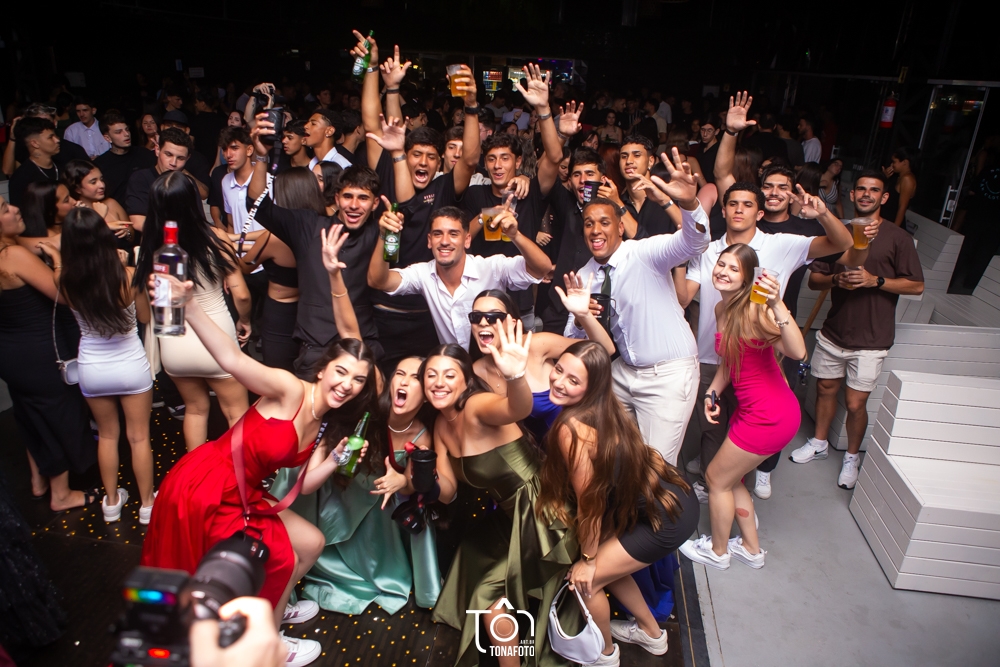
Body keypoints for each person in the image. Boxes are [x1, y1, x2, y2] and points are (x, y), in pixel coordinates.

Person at [140, 228, 377, 667]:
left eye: (358, 380)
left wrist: (338, 459)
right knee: (281, 555)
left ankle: (272, 608)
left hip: (246, 492)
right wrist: (190, 306)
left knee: (311, 541)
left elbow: (305, 486)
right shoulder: (289, 389)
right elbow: (232, 360)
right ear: (323, 369)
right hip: (208, 487)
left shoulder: (324, 423)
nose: (348, 384)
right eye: (341, 373)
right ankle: (270, 642)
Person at [274, 235, 457, 616]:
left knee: (400, 505)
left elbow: (439, 490)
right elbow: (350, 333)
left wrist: (404, 481)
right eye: (400, 373)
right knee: (294, 474)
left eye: (416, 378)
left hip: (377, 511)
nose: (404, 381)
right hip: (336, 491)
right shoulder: (376, 398)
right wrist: (334, 276)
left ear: (427, 393)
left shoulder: (426, 433)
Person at [679, 179, 852, 497]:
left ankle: (754, 472)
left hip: (758, 358)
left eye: (747, 205)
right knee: (712, 427)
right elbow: (685, 297)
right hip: (712, 354)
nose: (739, 210)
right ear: (723, 210)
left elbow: (842, 243)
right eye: (733, 204)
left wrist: (824, 214)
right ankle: (712, 477)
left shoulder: (781, 244)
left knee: (753, 420)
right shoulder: (707, 250)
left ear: (759, 213)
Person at [537, 340, 700, 666]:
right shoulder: (606, 407)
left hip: (664, 519)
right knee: (607, 568)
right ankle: (652, 634)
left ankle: (605, 654)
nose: (559, 382)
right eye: (559, 370)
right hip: (678, 501)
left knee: (585, 582)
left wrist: (587, 560)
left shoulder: (571, 429)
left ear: (590, 387)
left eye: (573, 380)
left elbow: (591, 503)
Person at [424, 331, 573, 667]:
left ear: (465, 381)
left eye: (449, 375)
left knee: (488, 597)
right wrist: (420, 479)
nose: (439, 383)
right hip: (510, 516)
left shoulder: (476, 406)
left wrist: (515, 375)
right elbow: (447, 492)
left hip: (545, 513)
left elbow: (517, 407)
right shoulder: (441, 425)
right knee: (470, 550)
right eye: (431, 375)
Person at [564, 149, 710, 465]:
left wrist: (688, 204)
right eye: (589, 224)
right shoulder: (585, 274)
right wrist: (580, 317)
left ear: (620, 227)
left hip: (667, 374)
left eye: (604, 222)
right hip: (622, 372)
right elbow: (573, 339)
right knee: (613, 456)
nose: (595, 230)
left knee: (656, 468)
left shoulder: (645, 253)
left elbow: (695, 243)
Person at [790, 171, 924, 489]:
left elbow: (916, 285)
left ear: (884, 197)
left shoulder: (898, 238)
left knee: (854, 403)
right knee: (825, 389)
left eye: (874, 190)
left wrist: (876, 281)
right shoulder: (837, 233)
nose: (866, 194)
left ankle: (852, 457)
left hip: (872, 337)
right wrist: (837, 279)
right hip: (835, 331)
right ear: (851, 195)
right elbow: (815, 280)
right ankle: (819, 443)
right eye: (861, 189)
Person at [679, 243, 806, 570]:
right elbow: (730, 362)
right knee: (731, 479)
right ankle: (751, 549)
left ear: (748, 277)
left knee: (715, 478)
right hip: (753, 411)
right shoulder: (722, 309)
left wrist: (777, 304)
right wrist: (712, 393)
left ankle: (718, 552)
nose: (723, 272)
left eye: (734, 268)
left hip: (769, 415)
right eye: (721, 264)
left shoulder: (757, 310)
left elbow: (797, 352)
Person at [249, 110, 383, 374]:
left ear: (375, 203)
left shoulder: (379, 232)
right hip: (315, 349)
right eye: (348, 197)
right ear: (337, 198)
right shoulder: (308, 225)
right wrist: (262, 156)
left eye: (363, 198)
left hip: (361, 344)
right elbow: (258, 206)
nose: (354, 205)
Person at [133, 171, 251, 451]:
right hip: (217, 339)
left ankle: (194, 474)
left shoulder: (150, 247)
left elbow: (148, 309)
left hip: (174, 342)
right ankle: (241, 474)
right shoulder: (215, 238)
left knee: (195, 411)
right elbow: (242, 294)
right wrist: (245, 320)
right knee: (236, 413)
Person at [56, 208, 155, 523]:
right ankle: (147, 505)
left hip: (93, 368)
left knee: (108, 436)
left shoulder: (65, 280)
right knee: (138, 437)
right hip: (130, 365)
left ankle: (111, 503)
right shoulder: (127, 275)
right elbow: (145, 317)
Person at [0, 196, 97, 513]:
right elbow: (64, 296)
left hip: (11, 353)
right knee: (60, 415)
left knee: (31, 415)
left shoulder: (12, 249)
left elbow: (47, 241)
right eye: (4, 209)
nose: (15, 208)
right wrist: (57, 261)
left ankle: (38, 481)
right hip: (39, 351)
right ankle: (61, 494)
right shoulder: (13, 255)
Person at [368, 205, 552, 349]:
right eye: (438, 234)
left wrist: (515, 235)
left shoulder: (491, 267)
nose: (444, 241)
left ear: (467, 240)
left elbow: (542, 268)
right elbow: (378, 281)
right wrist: (384, 235)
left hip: (498, 365)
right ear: (429, 241)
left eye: (453, 234)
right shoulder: (423, 274)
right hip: (457, 370)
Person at [469, 274, 614, 442]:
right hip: (527, 455)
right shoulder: (476, 371)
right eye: (476, 317)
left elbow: (604, 349)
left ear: (513, 323)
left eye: (494, 317)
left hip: (571, 444)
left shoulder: (536, 344)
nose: (483, 323)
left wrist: (584, 315)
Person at [238, 168, 310, 373]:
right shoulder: (319, 227)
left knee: (278, 375)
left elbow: (245, 266)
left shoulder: (274, 239)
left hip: (280, 316)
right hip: (309, 312)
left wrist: (227, 247)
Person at [126, 127, 199, 230]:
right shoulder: (141, 178)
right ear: (157, 150)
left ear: (188, 158)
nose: (173, 163)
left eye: (180, 158)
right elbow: (139, 222)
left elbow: (199, 222)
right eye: (168, 154)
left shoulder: (188, 183)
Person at [617, 134, 683, 239]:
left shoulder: (667, 196)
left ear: (651, 161)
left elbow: (694, 234)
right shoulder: (618, 202)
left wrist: (664, 200)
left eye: (637, 155)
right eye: (624, 156)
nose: (629, 161)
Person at [60, 159, 133, 244]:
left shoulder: (111, 203)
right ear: (78, 189)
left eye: (101, 179)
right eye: (93, 182)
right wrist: (103, 223)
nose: (102, 185)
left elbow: (131, 235)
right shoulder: (76, 214)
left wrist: (126, 233)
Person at [94, 110, 157, 204]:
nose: (126, 134)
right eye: (118, 132)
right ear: (107, 138)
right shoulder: (100, 164)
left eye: (126, 129)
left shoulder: (145, 154)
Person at [8, 118, 62, 207]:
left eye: (55, 135)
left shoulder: (62, 166)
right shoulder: (21, 178)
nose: (57, 140)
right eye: (50, 137)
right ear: (35, 143)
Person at [881, 147, 919, 227]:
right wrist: (884, 178)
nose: (891, 165)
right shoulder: (897, 177)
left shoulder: (907, 179)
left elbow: (902, 207)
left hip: (892, 224)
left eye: (894, 162)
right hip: (884, 221)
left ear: (905, 162)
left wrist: (894, 229)